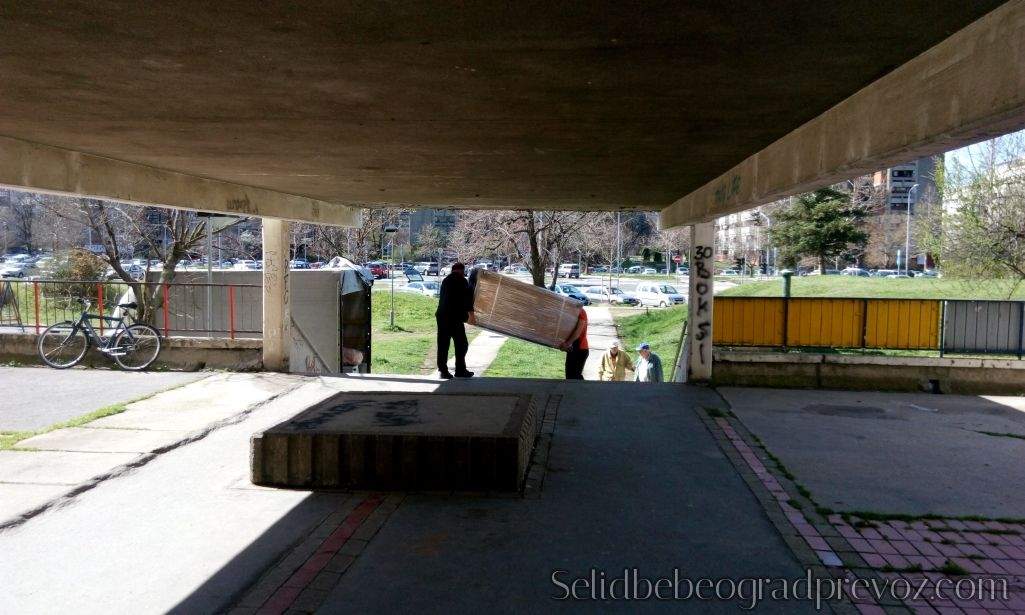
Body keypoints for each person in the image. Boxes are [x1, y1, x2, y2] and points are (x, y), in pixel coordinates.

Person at [436, 262, 475, 379]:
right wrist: (471, 316)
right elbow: (467, 299)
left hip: (442, 316)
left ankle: (443, 371)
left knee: (443, 344)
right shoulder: (461, 281)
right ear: (461, 271)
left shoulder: (446, 280)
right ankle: (460, 370)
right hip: (453, 317)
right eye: (464, 272)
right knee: (462, 344)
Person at [560, 308, 589, 379]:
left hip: (580, 349)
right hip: (573, 348)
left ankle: (587, 389)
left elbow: (577, 333)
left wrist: (567, 344)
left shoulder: (581, 311)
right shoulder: (570, 312)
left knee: (574, 378)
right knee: (570, 377)